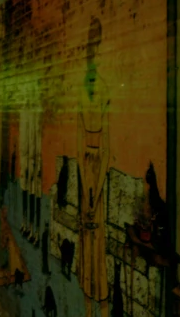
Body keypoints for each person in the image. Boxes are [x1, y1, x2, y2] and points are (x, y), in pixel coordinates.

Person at [77, 16, 111, 317]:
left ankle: (98, 302)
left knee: (96, 235)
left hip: (97, 169)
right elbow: (78, 144)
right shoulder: (83, 90)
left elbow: (108, 147)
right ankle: (88, 305)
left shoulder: (102, 89)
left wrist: (95, 189)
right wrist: (85, 185)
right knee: (85, 234)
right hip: (86, 170)